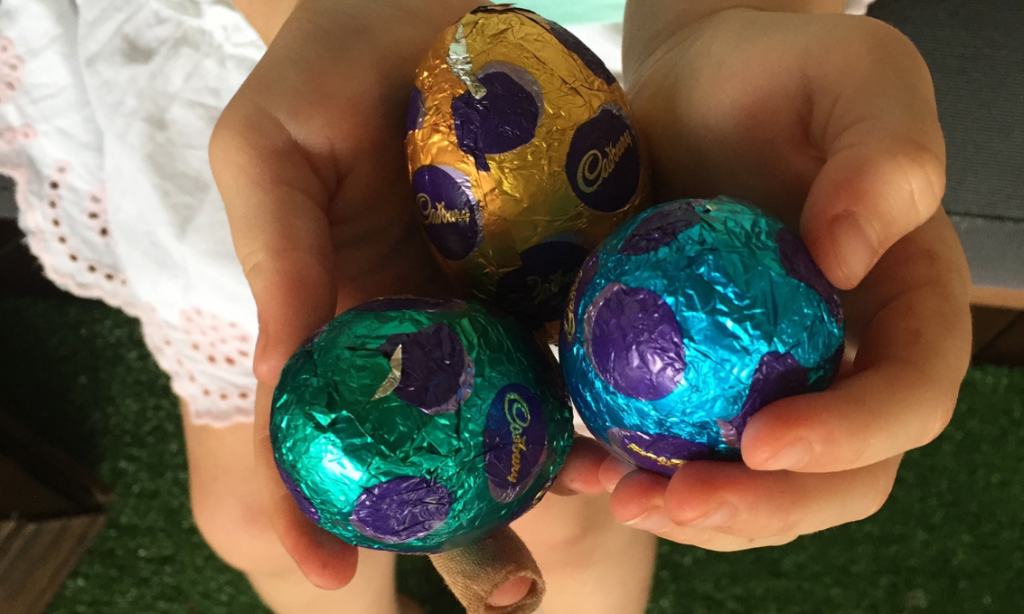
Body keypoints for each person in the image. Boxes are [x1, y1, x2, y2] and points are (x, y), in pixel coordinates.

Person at [0, 0, 972, 612]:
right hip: (277, 45)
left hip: (629, 96)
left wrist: (711, 18)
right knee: (262, 519)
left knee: (578, 513)